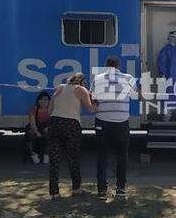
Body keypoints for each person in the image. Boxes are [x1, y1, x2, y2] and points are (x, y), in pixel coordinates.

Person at [91, 55, 135, 200]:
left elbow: (94, 101)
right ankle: (121, 189)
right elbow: (135, 96)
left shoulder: (98, 79)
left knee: (102, 156)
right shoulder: (128, 78)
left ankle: (102, 190)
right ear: (119, 66)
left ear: (106, 66)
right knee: (122, 156)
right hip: (121, 122)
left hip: (102, 122)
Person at [47, 72, 96, 200]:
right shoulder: (81, 89)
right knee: (73, 157)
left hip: (54, 122)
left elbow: (49, 110)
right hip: (71, 124)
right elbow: (90, 109)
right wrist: (97, 102)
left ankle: (54, 192)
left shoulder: (59, 87)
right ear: (82, 82)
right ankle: (76, 188)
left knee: (55, 160)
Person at [26, 91, 51, 164]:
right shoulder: (34, 109)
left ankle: (46, 154)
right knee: (29, 134)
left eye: (46, 99)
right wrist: (37, 132)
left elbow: (53, 122)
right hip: (36, 126)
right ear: (38, 101)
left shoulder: (52, 109)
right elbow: (32, 123)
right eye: (41, 99)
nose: (43, 101)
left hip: (46, 126)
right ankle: (33, 154)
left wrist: (48, 128)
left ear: (49, 101)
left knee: (50, 133)